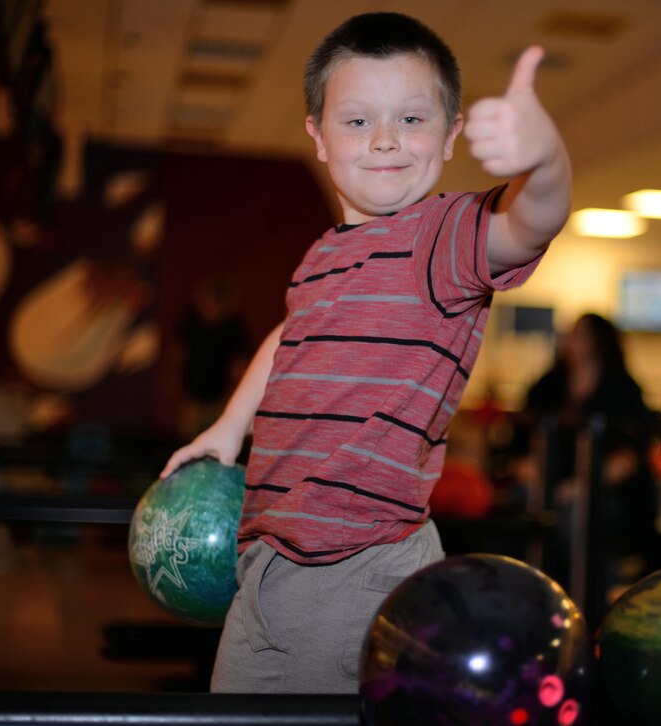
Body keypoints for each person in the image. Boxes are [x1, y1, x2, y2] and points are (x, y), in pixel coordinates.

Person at [160, 12, 571, 694]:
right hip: (270, 557)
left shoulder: (440, 240)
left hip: (355, 567)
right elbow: (290, 334)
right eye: (356, 121)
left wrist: (546, 158)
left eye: (412, 119)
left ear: (450, 136)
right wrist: (228, 428)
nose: (384, 140)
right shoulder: (323, 255)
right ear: (318, 138)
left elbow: (532, 221)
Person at [517, 313, 659, 620]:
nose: (570, 340)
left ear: (599, 342)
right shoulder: (549, 384)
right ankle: (528, 607)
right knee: (523, 513)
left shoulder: (622, 388)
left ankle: (591, 615)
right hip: (548, 491)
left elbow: (631, 456)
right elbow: (521, 440)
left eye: (579, 334)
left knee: (580, 522)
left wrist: (581, 486)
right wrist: (535, 473)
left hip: (606, 495)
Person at [175, 278, 250, 438]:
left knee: (216, 439)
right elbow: (178, 352)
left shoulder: (234, 327)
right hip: (192, 396)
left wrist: (233, 395)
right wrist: (174, 383)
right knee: (188, 440)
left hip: (220, 398)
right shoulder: (192, 320)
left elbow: (239, 364)